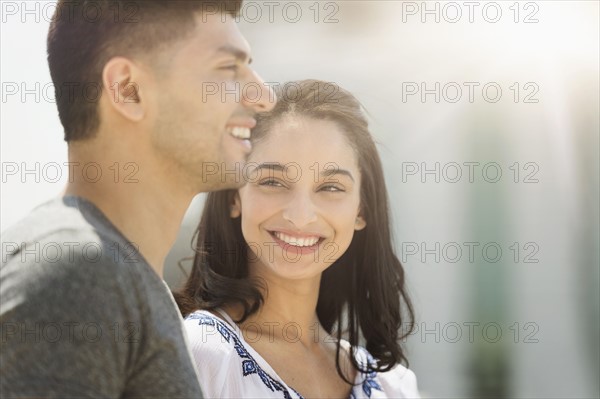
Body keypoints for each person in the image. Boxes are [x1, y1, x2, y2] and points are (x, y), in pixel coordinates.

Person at [0, 1, 275, 397]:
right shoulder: (80, 274)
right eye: (228, 69)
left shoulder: (124, 279)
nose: (264, 96)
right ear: (128, 90)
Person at [176, 80, 420, 398]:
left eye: (331, 187)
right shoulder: (199, 355)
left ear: (361, 210)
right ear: (234, 196)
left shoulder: (393, 385)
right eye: (273, 181)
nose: (301, 215)